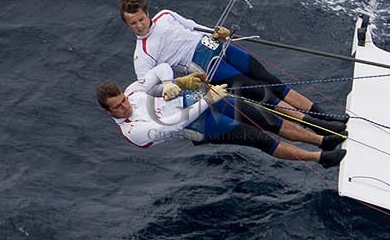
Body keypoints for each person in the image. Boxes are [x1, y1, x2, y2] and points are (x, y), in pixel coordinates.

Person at [118, 0, 346, 134]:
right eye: (132, 23)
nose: (139, 26)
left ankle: (325, 116)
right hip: (208, 67)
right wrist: (170, 85)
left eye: (140, 19)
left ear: (147, 13)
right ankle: (319, 127)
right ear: (127, 25)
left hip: (220, 47)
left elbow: (193, 26)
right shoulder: (142, 55)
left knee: (273, 82)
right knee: (264, 95)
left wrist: (217, 32)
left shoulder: (165, 16)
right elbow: (150, 89)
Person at [97, 65, 345, 167]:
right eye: (118, 107)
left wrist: (169, 82)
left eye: (123, 100)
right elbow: (176, 123)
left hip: (198, 100)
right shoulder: (134, 131)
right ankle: (320, 157)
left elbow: (162, 69)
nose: (125, 106)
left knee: (265, 118)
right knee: (258, 138)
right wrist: (207, 99)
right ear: (109, 113)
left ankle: (323, 140)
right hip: (199, 124)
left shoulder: (132, 92)